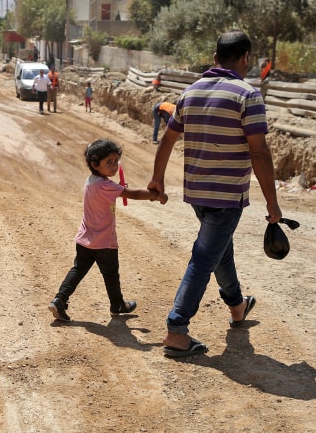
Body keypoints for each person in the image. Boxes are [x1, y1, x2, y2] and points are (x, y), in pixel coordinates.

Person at [147, 30, 282, 358]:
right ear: (246, 58)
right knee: (205, 256)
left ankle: (237, 306)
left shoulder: (190, 93)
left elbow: (167, 139)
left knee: (219, 249)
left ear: (214, 57)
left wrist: (157, 179)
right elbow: (259, 153)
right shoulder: (247, 96)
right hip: (227, 196)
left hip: (197, 192)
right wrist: (273, 204)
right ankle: (176, 330)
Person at [49, 139, 168, 322]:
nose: (113, 166)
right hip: (104, 242)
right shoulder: (106, 186)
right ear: (95, 164)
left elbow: (119, 191)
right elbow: (134, 194)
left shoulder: (92, 181)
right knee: (111, 274)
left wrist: (120, 188)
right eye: (109, 163)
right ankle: (118, 304)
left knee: (78, 269)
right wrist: (156, 195)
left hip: (85, 238)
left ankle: (60, 299)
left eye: (115, 162)